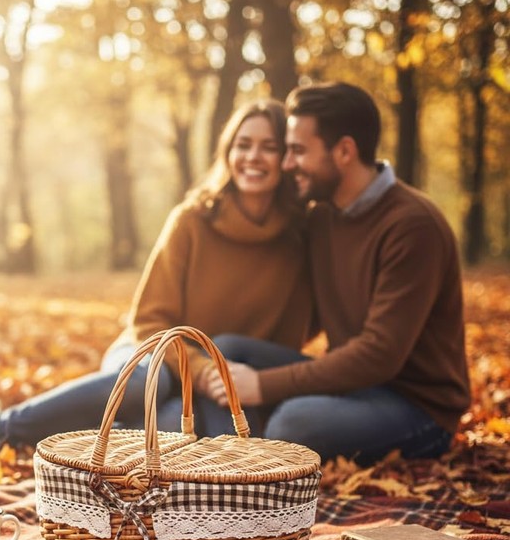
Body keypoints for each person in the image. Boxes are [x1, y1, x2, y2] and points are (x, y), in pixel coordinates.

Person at [0, 99, 314, 463]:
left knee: (175, 427)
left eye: (269, 146)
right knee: (143, 385)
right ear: (228, 152)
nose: (253, 157)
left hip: (218, 388)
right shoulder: (192, 221)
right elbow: (149, 321)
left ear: (287, 158)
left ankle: (66, 444)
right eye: (243, 144)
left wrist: (226, 383)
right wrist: (202, 369)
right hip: (150, 355)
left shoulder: (297, 240)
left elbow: (283, 344)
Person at [194, 81, 471, 465]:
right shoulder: (321, 216)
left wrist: (262, 385)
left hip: (416, 406)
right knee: (224, 351)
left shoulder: (413, 226)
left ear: (344, 151)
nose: (287, 164)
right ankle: (232, 467)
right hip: (354, 386)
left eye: (298, 151)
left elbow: (379, 355)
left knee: (293, 424)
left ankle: (245, 464)